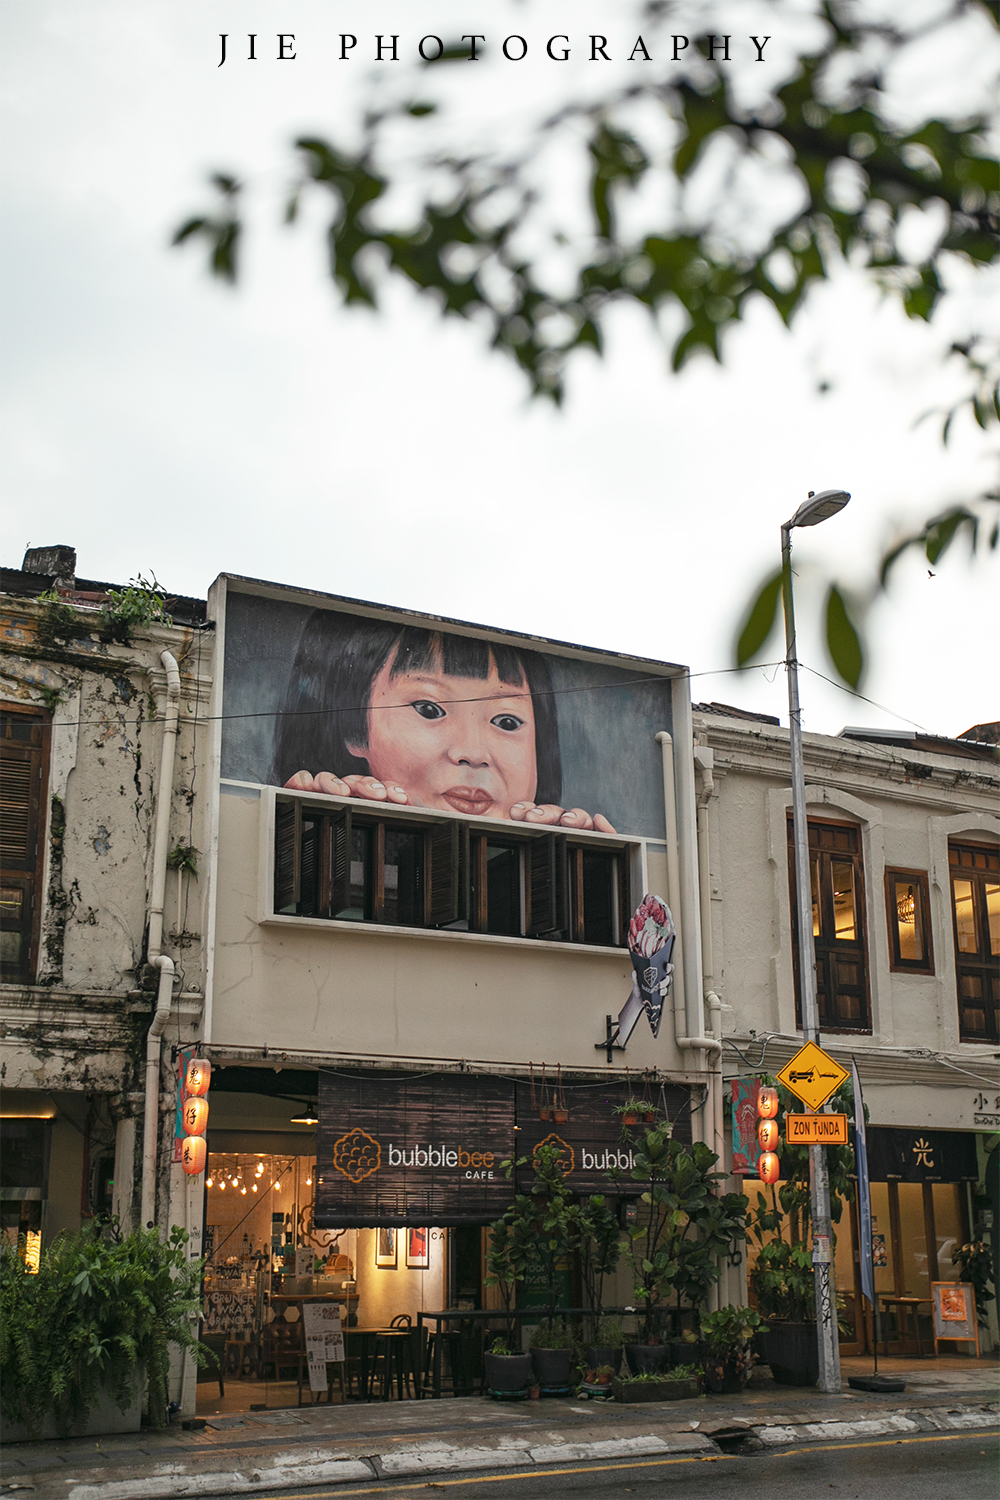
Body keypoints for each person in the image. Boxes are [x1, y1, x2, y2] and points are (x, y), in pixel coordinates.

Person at [273, 611, 615, 830]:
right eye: (429, 709)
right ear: (353, 729)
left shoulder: (564, 854)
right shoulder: (313, 828)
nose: (473, 753)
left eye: (507, 722)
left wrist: (578, 862)